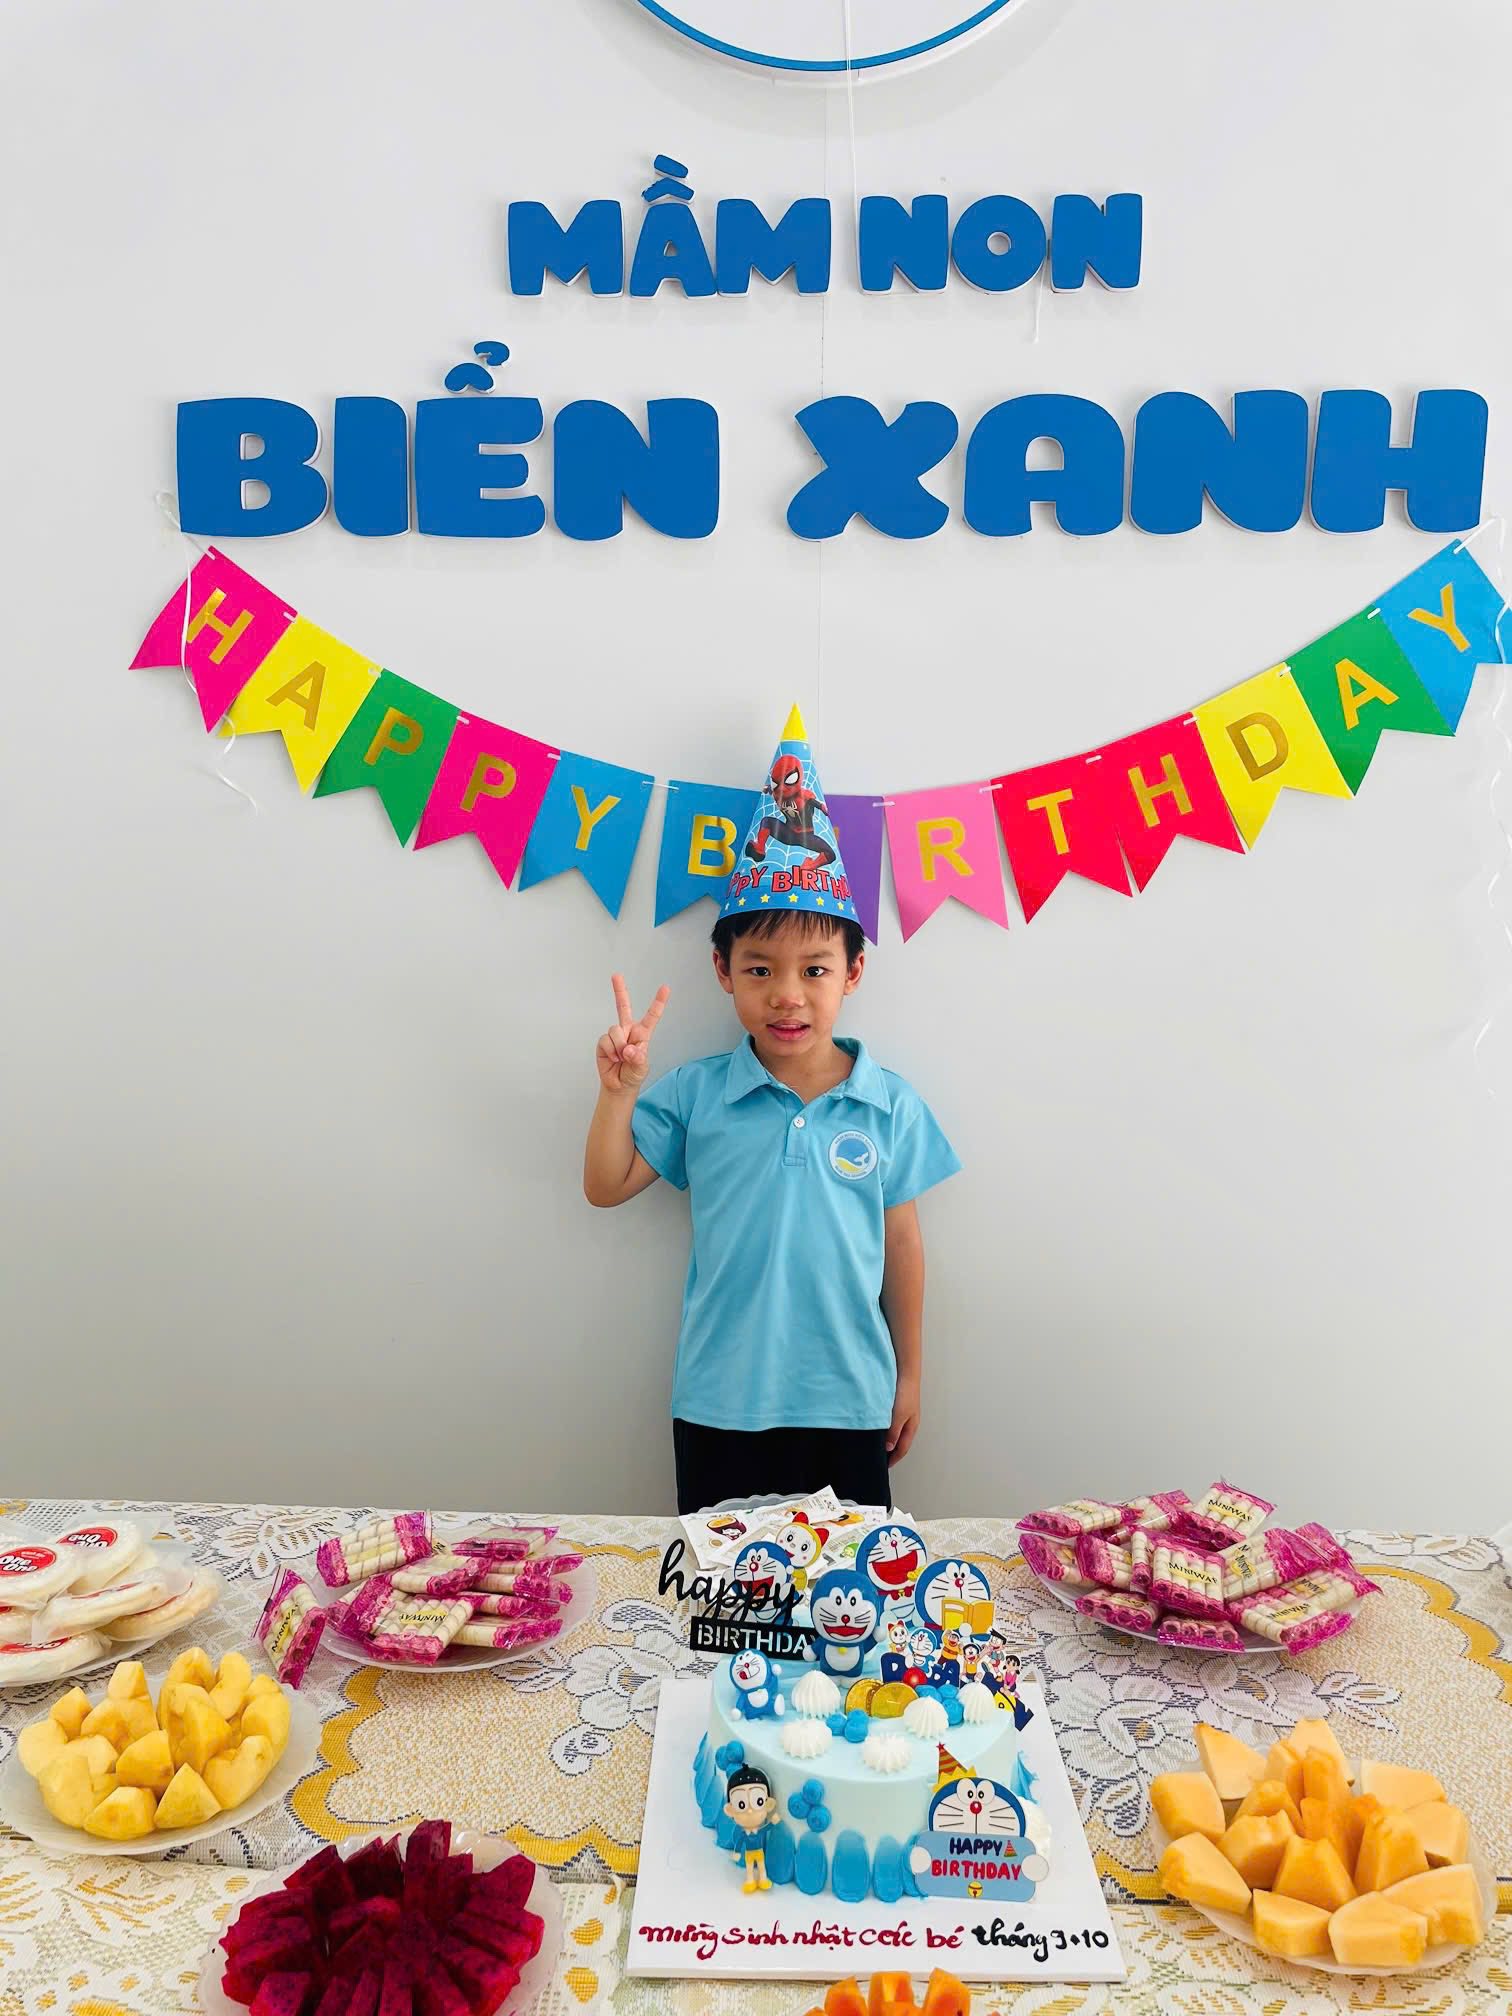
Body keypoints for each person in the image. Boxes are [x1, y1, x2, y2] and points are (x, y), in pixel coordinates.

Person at [583, 707, 961, 1516]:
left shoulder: (889, 1104)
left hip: (851, 1400)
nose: (787, 995)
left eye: (814, 970)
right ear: (723, 972)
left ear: (853, 973)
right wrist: (619, 1094)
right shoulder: (696, 1093)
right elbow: (606, 1186)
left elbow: (903, 1244)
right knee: (720, 1586)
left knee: (848, 1585)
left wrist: (911, 1373)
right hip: (719, 1403)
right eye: (760, 969)